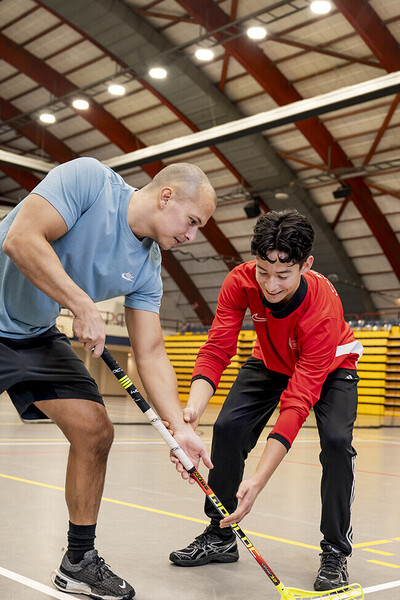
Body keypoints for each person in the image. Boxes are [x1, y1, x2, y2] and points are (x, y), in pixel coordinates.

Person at [0, 157, 217, 600]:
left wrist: (180, 428)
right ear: (166, 196)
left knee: (95, 432)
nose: (191, 236)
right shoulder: (90, 181)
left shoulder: (146, 266)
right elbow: (21, 240)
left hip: (33, 333)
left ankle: (78, 562)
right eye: (192, 222)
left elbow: (151, 351)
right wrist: (81, 305)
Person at [169, 209, 363, 592]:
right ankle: (220, 535)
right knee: (227, 429)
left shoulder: (322, 311)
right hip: (271, 359)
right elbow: (217, 349)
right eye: (263, 272)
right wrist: (191, 411)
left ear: (306, 265)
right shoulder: (240, 281)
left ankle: (335, 551)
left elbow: (298, 401)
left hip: (330, 364)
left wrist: (257, 481)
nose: (270, 285)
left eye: (283, 275)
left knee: (338, 444)